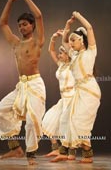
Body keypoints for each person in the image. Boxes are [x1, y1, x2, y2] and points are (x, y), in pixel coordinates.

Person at [0, 0, 46, 165]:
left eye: (24, 24)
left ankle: (31, 153)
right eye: (19, 25)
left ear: (32, 26)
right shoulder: (16, 43)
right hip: (21, 86)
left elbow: (38, 15)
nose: (21, 27)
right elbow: (2, 23)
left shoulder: (37, 41)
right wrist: (9, 1)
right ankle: (15, 147)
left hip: (35, 85)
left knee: (31, 122)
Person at [56, 11, 101, 163]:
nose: (71, 42)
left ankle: (87, 153)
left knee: (80, 121)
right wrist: (68, 26)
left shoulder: (91, 51)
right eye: (71, 40)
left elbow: (89, 28)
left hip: (90, 91)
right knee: (66, 119)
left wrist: (79, 16)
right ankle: (68, 151)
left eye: (74, 40)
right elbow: (63, 42)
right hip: (79, 91)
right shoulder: (73, 55)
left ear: (82, 41)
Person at [42, 28, 75, 162]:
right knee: (50, 120)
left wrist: (65, 37)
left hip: (72, 97)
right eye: (60, 53)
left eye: (62, 53)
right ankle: (55, 148)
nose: (60, 55)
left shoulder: (74, 65)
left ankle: (71, 152)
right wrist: (53, 38)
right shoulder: (61, 65)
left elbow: (73, 52)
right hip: (63, 99)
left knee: (69, 125)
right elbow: (51, 51)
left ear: (68, 54)